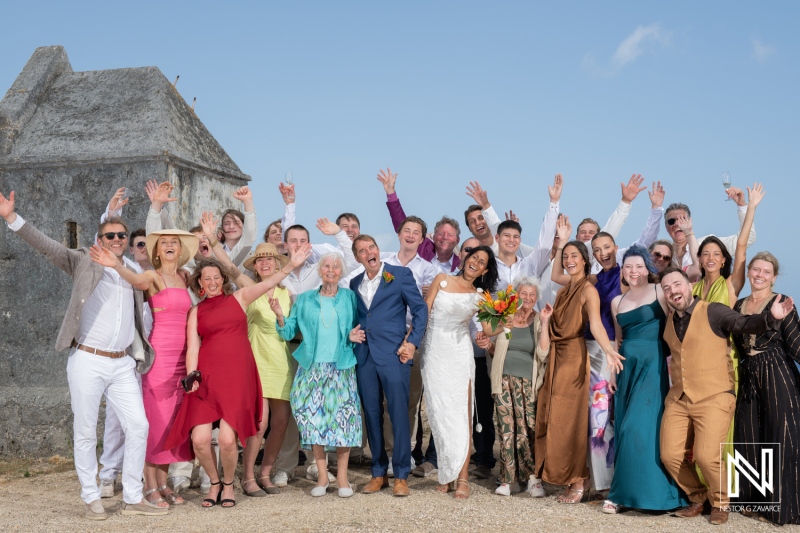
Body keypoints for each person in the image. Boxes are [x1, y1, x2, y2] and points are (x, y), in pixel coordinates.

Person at [0, 190, 166, 520]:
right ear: (99, 238)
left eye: (121, 235)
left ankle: (133, 497)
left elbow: (155, 272)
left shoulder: (132, 269)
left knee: (139, 426)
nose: (117, 239)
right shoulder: (82, 262)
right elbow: (46, 245)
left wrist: (121, 257)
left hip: (122, 363)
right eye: (110, 235)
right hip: (88, 359)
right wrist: (11, 218)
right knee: (86, 431)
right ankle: (91, 497)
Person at [165, 245, 310, 508]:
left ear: (223, 280)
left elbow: (269, 284)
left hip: (236, 379)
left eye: (216, 277)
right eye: (206, 278)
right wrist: (190, 377)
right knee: (199, 440)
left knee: (227, 439)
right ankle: (215, 482)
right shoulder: (196, 312)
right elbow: (193, 347)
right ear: (199, 283)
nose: (212, 282)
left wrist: (290, 265)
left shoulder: (240, 298)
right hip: (205, 380)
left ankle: (230, 483)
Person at [658, 267, 793, 525]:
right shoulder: (669, 320)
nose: (673, 290)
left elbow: (742, 323)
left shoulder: (713, 311)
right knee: (670, 455)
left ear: (689, 285)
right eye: (667, 288)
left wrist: (769, 318)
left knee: (707, 456)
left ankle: (720, 502)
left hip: (714, 395)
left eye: (677, 284)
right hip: (679, 398)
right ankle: (698, 497)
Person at [90, 228, 199, 507]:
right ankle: (148, 486)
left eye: (174, 242)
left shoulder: (184, 278)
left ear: (181, 249)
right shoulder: (153, 276)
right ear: (157, 251)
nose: (170, 245)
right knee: (155, 424)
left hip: (182, 359)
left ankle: (163, 484)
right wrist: (116, 264)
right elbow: (136, 280)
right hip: (159, 358)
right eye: (164, 243)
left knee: (173, 423)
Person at [533, 239, 624, 504]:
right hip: (558, 358)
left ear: (585, 260)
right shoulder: (562, 292)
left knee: (578, 419)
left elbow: (595, 324)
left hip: (577, 358)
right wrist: (547, 320)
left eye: (575, 255)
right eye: (566, 257)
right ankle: (570, 475)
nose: (569, 260)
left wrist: (609, 350)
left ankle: (581, 481)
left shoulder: (588, 290)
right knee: (559, 417)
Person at [421, 245, 513, 499]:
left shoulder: (480, 296)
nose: (476, 263)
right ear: (465, 258)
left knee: (461, 414)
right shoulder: (441, 279)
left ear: (485, 270)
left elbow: (486, 328)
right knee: (439, 414)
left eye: (482, 262)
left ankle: (462, 477)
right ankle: (447, 472)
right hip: (433, 351)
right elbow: (424, 313)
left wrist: (505, 321)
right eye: (474, 257)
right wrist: (411, 341)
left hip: (460, 353)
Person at [273, 253, 364, 497]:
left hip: (341, 366)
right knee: (314, 420)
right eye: (326, 265)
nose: (331, 269)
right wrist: (281, 316)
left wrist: (355, 337)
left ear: (341, 271)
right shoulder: (303, 300)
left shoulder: (350, 297)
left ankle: (343, 479)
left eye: (336, 266)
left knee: (344, 422)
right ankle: (322, 477)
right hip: (311, 368)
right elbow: (289, 331)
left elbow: (360, 325)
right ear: (320, 271)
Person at [690, 184, 763, 485]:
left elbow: (743, 246)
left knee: (722, 430)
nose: (710, 257)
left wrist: (749, 207)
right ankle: (702, 490)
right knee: (697, 431)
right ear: (699, 258)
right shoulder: (692, 288)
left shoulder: (731, 284)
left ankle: (725, 490)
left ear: (723, 259)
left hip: (722, 364)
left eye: (716, 253)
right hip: (694, 367)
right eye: (705, 253)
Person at [605, 247, 686, 514]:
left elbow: (678, 321)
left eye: (638, 266)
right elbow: (619, 341)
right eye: (628, 267)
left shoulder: (660, 292)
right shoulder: (617, 301)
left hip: (653, 365)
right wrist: (613, 373)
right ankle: (621, 495)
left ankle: (653, 495)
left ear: (647, 268)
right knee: (624, 429)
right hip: (627, 368)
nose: (633, 271)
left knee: (642, 428)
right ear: (623, 270)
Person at [350, 234, 429, 497]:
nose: (368, 252)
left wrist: (412, 343)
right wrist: (352, 334)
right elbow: (358, 317)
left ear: (378, 249)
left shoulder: (400, 274)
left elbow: (420, 310)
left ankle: (402, 475)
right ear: (357, 257)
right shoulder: (353, 283)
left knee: (398, 415)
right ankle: (378, 472)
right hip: (365, 357)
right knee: (371, 416)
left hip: (396, 356)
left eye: (371, 247)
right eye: (362, 250)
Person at [731, 252, 800, 525]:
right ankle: (751, 501)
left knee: (782, 437)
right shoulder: (738, 305)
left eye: (766, 271)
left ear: (773, 276)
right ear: (749, 271)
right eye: (756, 269)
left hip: (778, 372)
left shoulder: (781, 302)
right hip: (749, 373)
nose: (760, 275)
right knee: (747, 437)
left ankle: (785, 507)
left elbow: (796, 345)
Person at [477, 277, 551, 498]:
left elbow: (543, 353)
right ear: (516, 295)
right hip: (502, 380)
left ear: (536, 297)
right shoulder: (505, 318)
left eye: (532, 295)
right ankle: (508, 480)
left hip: (527, 383)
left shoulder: (539, 320)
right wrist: (487, 345)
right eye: (523, 294)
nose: (527, 298)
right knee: (506, 431)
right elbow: (496, 350)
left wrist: (546, 323)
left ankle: (533, 479)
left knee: (527, 430)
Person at [238, 242, 296, 497]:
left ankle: (266, 473)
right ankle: (248, 476)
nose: (264, 263)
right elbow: (228, 267)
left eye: (269, 259)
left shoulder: (287, 293)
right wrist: (212, 242)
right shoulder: (248, 287)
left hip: (281, 361)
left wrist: (282, 317)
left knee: (281, 422)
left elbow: (291, 331)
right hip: (256, 361)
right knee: (260, 424)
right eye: (260, 260)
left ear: (277, 264)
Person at [378, 168, 462, 273]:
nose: (445, 237)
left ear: (457, 240)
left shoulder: (462, 265)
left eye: (450, 234)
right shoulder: (423, 247)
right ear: (434, 237)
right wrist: (391, 193)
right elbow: (402, 223)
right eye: (441, 233)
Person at [663, 185, 757, 271]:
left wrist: (742, 206)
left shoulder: (709, 244)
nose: (677, 224)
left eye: (682, 219)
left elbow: (747, 239)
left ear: (690, 222)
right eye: (671, 221)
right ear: (666, 227)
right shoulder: (663, 255)